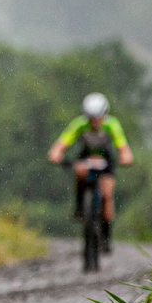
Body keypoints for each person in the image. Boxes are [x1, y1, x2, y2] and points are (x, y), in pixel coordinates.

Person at [47, 93, 134, 252]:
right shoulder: (79, 124)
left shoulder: (111, 125)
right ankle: (80, 205)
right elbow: (62, 142)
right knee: (79, 172)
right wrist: (56, 153)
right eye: (91, 118)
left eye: (97, 118)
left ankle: (106, 234)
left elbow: (122, 146)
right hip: (86, 157)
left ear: (104, 115)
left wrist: (125, 156)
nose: (94, 122)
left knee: (106, 195)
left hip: (106, 159)